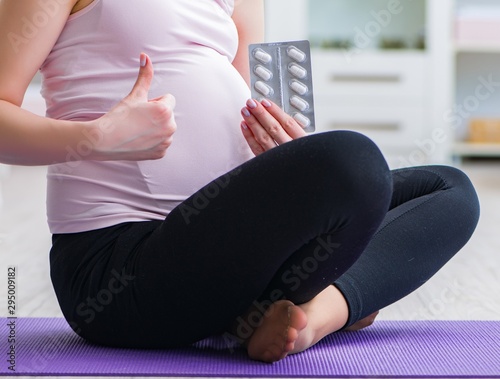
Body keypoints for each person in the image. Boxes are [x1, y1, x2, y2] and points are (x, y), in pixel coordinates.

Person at [0, 0, 480, 363]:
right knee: (354, 163)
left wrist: (286, 156)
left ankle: (313, 317)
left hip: (226, 261)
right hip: (118, 270)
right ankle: (334, 303)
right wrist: (100, 136)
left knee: (449, 189)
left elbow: (244, 113)